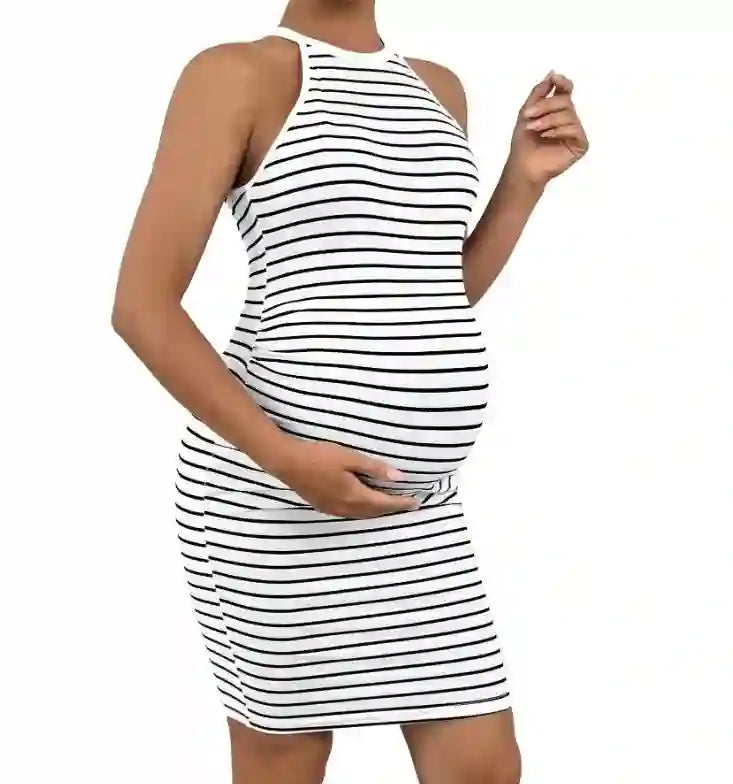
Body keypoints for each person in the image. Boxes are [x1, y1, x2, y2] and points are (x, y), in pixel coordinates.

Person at [111, 0, 588, 781]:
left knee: (481, 767)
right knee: (287, 761)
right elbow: (141, 307)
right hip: (270, 499)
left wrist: (523, 181)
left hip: (417, 510)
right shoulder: (233, 74)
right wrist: (283, 459)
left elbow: (427, 292)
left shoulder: (437, 88)